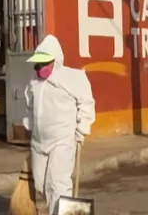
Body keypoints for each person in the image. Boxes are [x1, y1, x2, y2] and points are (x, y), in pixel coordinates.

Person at [24, 34, 95, 215]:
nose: (40, 68)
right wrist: (29, 128)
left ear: (55, 61)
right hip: (39, 141)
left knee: (58, 184)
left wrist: (81, 130)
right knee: (40, 183)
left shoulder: (72, 78)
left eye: (44, 64)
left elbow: (86, 103)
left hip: (62, 140)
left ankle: (59, 212)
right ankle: (55, 208)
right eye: (37, 64)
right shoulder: (34, 81)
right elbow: (29, 106)